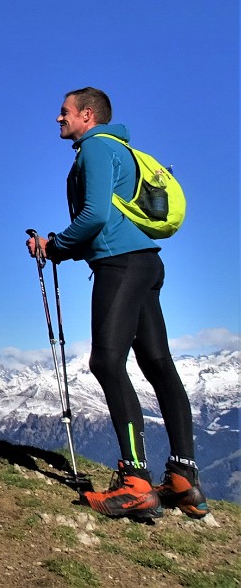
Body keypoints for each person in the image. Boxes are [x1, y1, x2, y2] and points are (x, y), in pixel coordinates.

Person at [27, 87, 209, 521]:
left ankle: (135, 482)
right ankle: (184, 479)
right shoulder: (120, 150)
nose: (58, 118)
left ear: (87, 115)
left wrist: (52, 246)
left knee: (107, 364)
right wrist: (60, 247)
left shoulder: (94, 150)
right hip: (144, 264)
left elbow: (94, 218)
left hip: (120, 267)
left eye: (64, 112)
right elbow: (105, 218)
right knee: (158, 364)